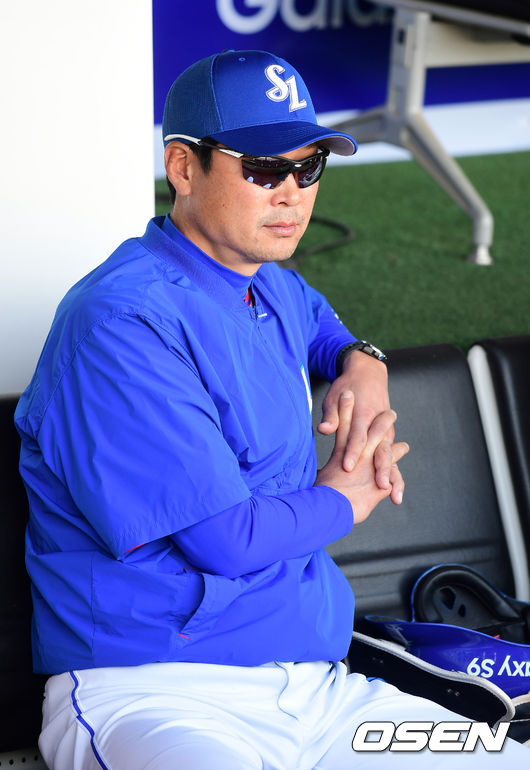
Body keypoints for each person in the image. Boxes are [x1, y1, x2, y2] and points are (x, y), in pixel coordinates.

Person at [15, 49, 527, 769]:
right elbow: (226, 542)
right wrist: (345, 497)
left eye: (307, 166)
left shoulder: (263, 278)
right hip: (159, 692)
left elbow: (316, 318)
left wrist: (362, 361)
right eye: (262, 169)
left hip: (321, 689)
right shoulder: (119, 322)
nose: (291, 193)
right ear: (183, 167)